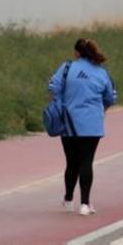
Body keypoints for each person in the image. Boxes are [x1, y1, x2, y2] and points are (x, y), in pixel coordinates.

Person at [49, 38, 116, 216]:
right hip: (92, 125)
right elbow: (110, 97)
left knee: (71, 162)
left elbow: (53, 87)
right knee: (87, 162)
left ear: (77, 52)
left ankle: (69, 199)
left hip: (68, 123)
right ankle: (85, 204)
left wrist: (61, 102)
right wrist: (99, 110)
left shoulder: (67, 67)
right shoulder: (102, 73)